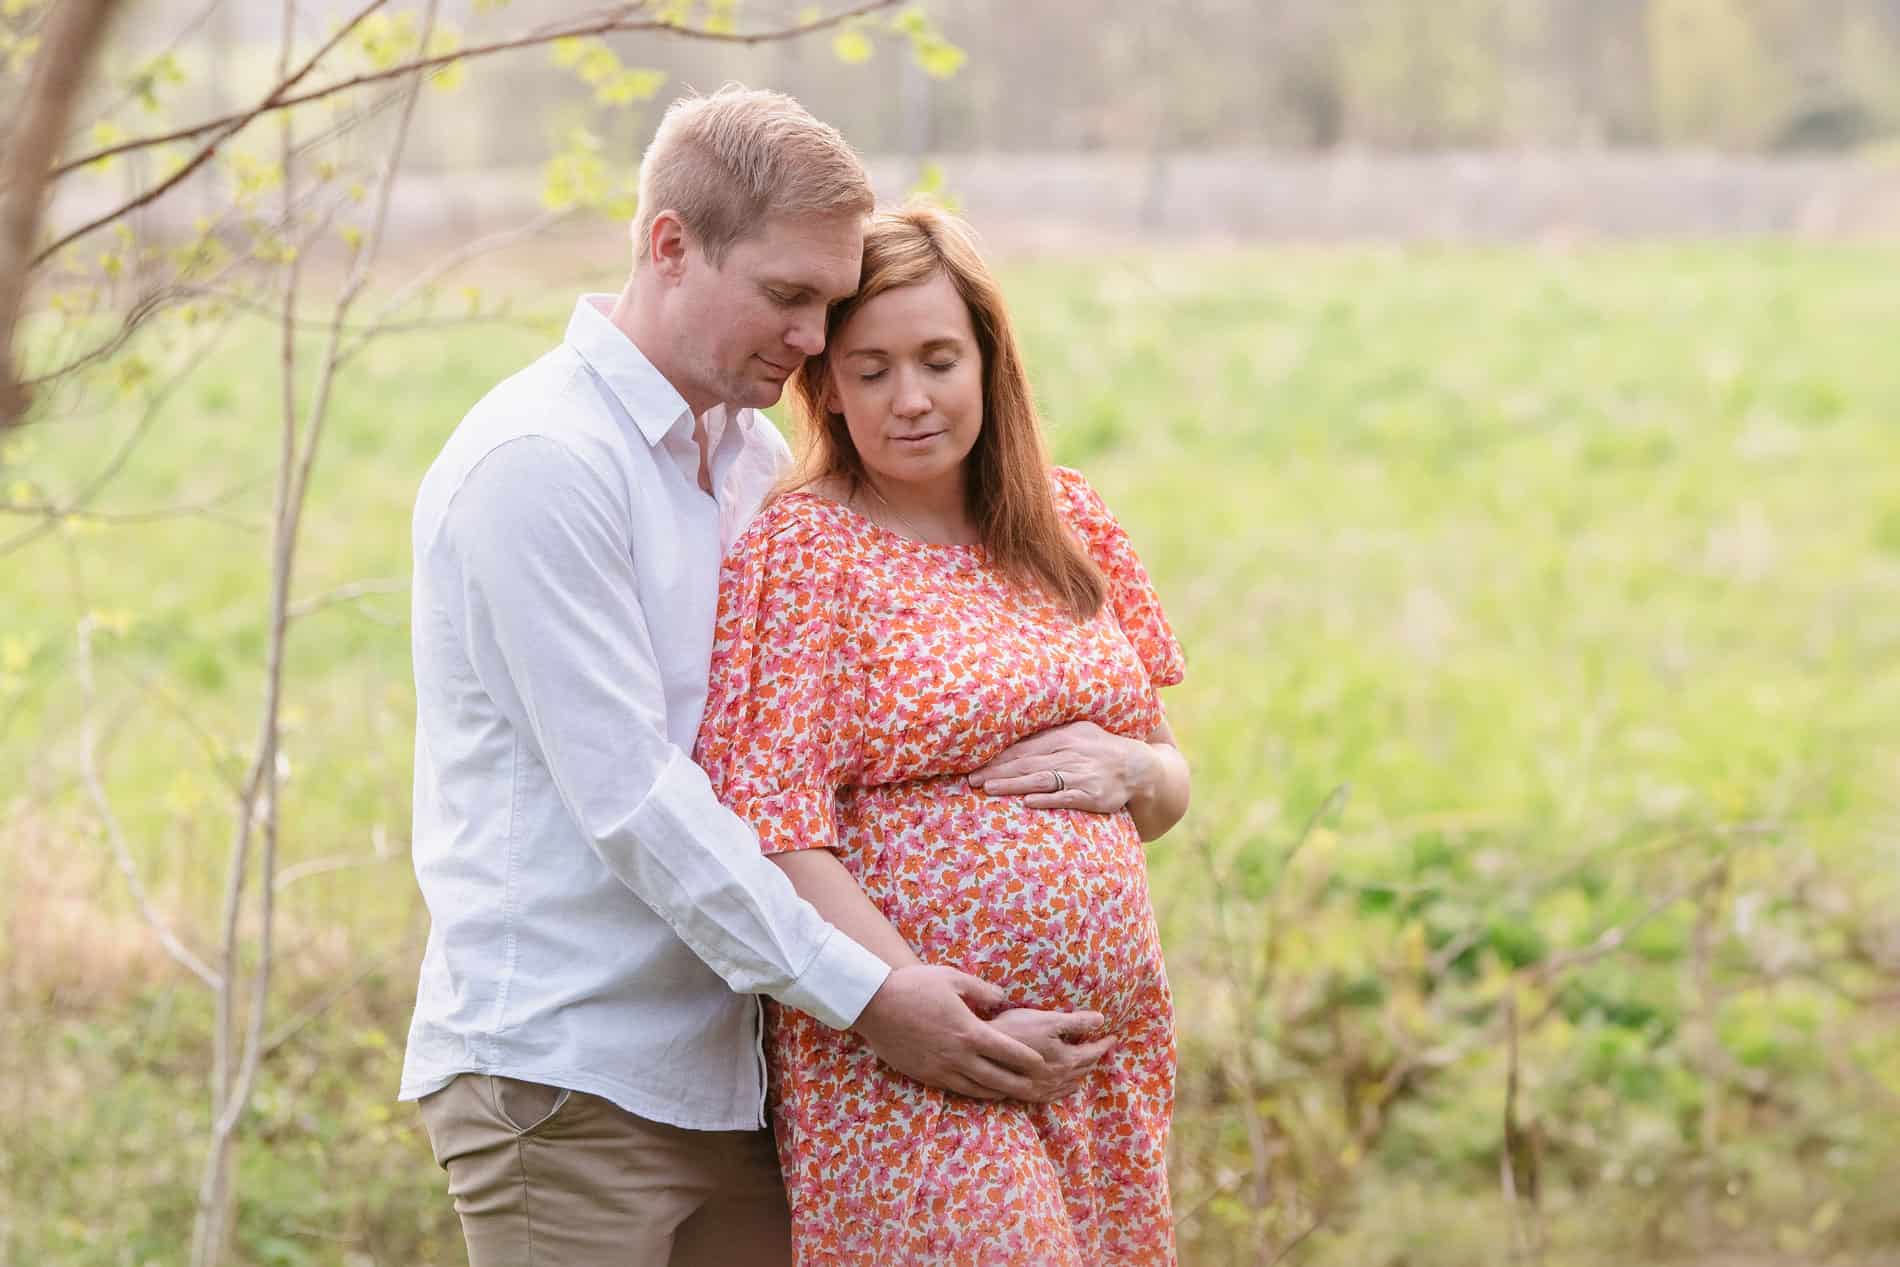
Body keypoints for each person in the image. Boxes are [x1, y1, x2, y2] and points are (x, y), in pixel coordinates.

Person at [398, 88, 1109, 1266]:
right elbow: (634, 798)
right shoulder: (539, 465)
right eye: (788, 296)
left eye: (829, 304)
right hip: (570, 1076)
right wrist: (876, 997)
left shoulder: (751, 459)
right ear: (669, 245)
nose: (818, 341)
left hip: (742, 1071)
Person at [695, 204, 1193, 1266]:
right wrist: (911, 1006)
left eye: (936, 359)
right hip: (915, 1066)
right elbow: (776, 827)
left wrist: (1136, 766)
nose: (910, 399)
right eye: (870, 369)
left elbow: (1166, 782)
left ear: (988, 362)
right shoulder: (806, 550)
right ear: (824, 386)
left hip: (1104, 1059)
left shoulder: (1067, 525)